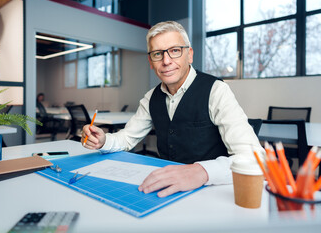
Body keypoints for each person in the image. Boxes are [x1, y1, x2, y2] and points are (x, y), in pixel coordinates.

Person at [81, 21, 263, 198]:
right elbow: (127, 138)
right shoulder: (151, 97)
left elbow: (255, 158)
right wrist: (103, 141)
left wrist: (202, 171)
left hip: (212, 193)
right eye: (158, 54)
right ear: (151, 61)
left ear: (189, 55)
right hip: (166, 190)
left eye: (175, 51)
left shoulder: (216, 90)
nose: (166, 61)